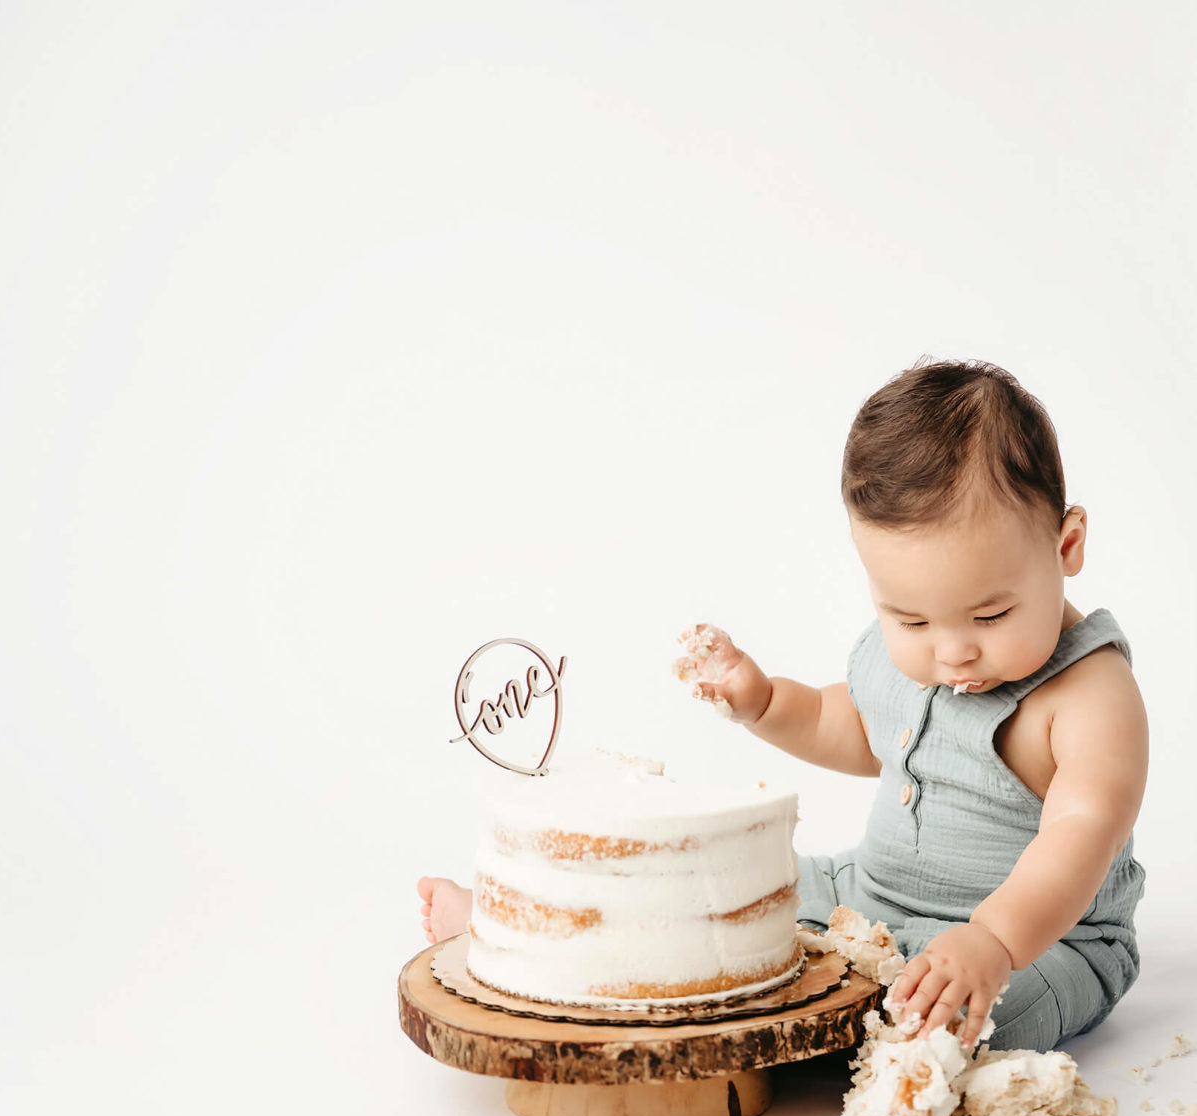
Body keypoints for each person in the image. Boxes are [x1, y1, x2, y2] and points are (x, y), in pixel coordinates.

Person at [420, 357, 1148, 1052]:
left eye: (990, 616)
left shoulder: (1090, 697)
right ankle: (510, 936)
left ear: (1067, 543)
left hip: (1047, 940)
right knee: (732, 896)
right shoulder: (927, 656)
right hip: (869, 893)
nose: (951, 652)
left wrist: (992, 939)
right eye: (911, 620)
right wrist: (765, 702)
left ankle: (835, 1031)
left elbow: (1080, 837)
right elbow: (855, 729)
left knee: (965, 1019)